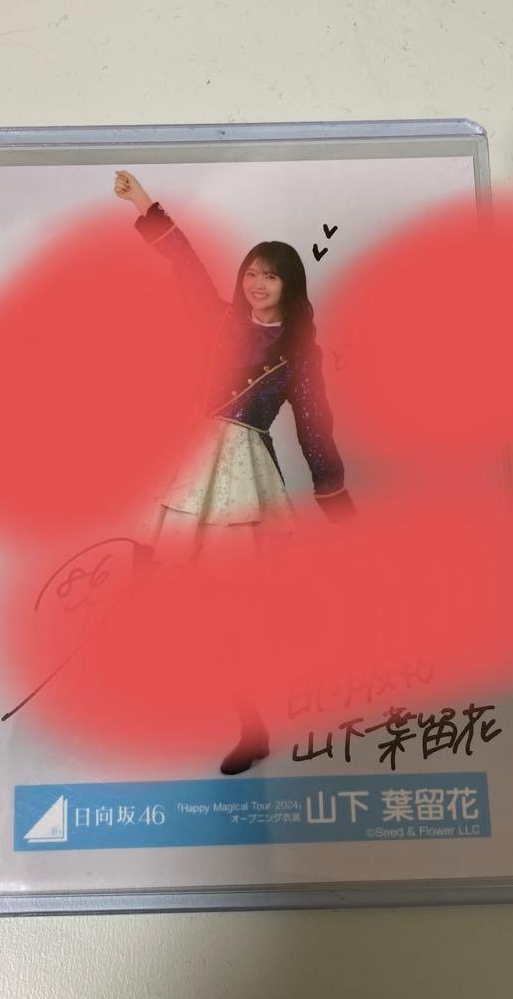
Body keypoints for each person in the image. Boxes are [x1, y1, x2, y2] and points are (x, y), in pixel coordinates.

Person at [114, 170, 355, 775]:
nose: (256, 284)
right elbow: (186, 267)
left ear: (289, 285)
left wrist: (338, 505)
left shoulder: (299, 355)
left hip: (242, 472)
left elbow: (314, 430)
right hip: (190, 463)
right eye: (251, 272)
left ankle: (251, 725)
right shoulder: (221, 320)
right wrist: (144, 204)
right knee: (145, 572)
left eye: (269, 275)